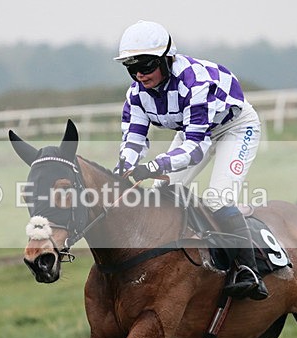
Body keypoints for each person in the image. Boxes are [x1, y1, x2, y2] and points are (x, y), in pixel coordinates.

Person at [111, 20, 267, 300]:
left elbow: (195, 149)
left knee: (218, 198)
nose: (139, 75)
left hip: (234, 128)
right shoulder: (135, 95)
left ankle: (248, 270)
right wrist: (122, 169)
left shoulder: (195, 83)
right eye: (131, 68)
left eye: (146, 65)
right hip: (195, 129)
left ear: (166, 59)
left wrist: (153, 166)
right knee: (160, 193)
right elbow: (134, 140)